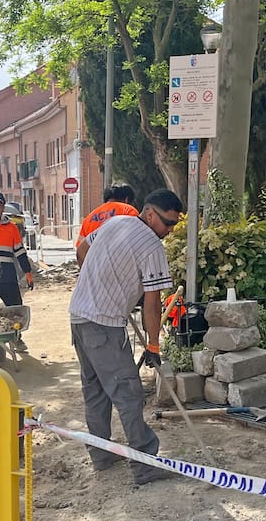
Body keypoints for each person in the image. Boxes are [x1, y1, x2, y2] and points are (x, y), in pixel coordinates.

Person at [69, 188, 184, 484]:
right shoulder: (152, 246)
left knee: (95, 391)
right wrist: (154, 345)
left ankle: (101, 454)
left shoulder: (116, 223)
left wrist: (96, 283)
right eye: (168, 223)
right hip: (104, 324)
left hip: (79, 316)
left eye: (174, 224)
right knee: (129, 393)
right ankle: (145, 465)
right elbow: (152, 304)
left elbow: (82, 250)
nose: (170, 231)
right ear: (150, 213)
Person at [75, 183, 137, 259]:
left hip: (94, 262)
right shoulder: (128, 211)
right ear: (127, 199)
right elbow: (137, 240)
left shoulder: (89, 218)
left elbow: (80, 251)